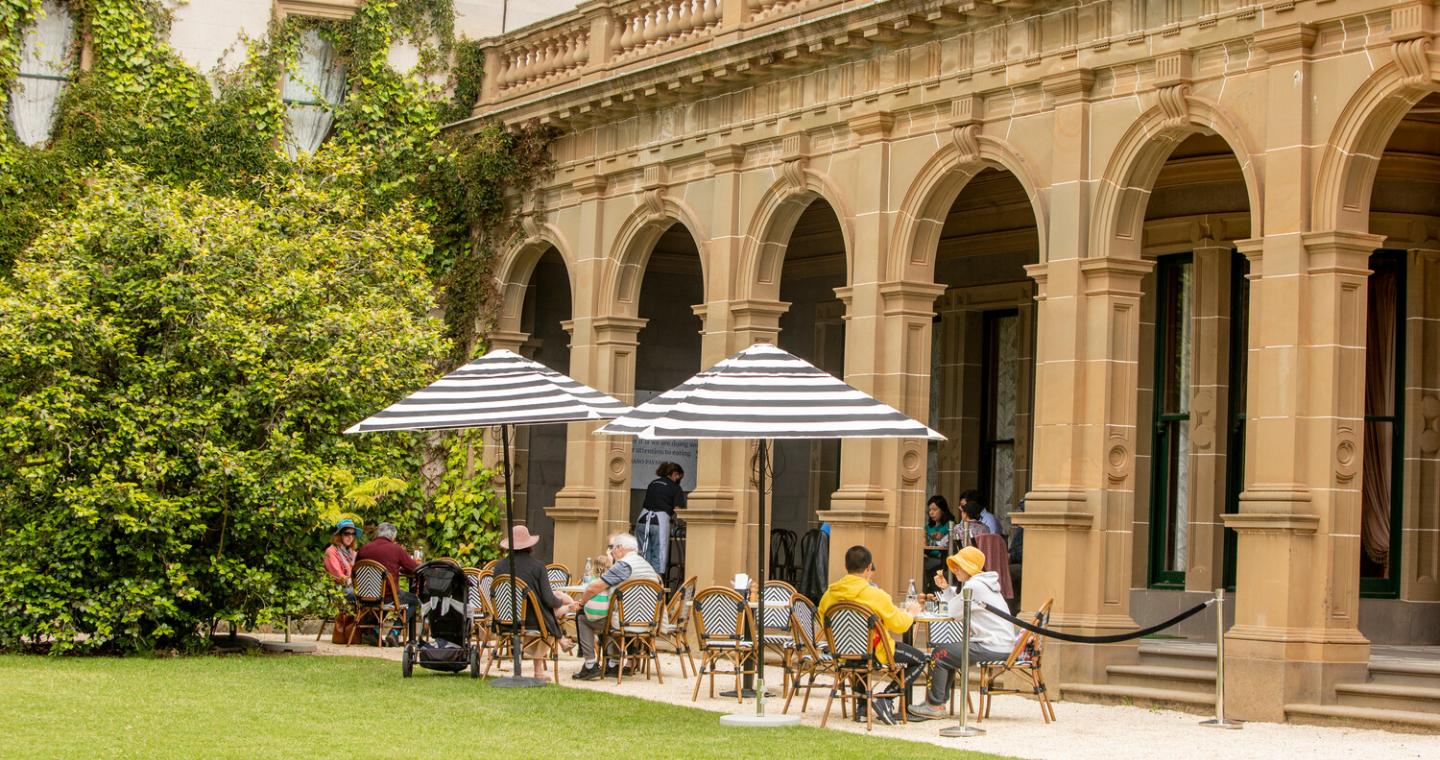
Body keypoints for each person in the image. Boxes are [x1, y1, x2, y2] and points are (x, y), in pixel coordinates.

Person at [818, 545, 937, 724]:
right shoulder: (875, 595)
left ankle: (862, 707)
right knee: (920, 659)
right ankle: (886, 698)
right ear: (868, 568)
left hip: (842, 653)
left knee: (861, 655)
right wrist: (911, 613)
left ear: (845, 566)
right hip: (875, 651)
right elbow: (900, 626)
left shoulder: (829, 595)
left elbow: (824, 622)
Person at [925, 545, 1019, 710]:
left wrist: (945, 592)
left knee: (939, 654)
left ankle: (935, 705)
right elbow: (957, 609)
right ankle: (938, 702)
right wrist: (946, 589)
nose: (955, 570)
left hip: (991, 645)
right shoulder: (983, 584)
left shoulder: (973, 586)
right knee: (948, 653)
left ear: (969, 567)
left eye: (958, 566)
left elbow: (952, 612)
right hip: (1002, 644)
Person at [491, 525, 576, 680]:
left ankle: (559, 641)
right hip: (531, 620)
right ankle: (539, 670)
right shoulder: (537, 566)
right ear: (529, 545)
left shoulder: (499, 567)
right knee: (547, 618)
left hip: (504, 620)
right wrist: (561, 601)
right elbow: (549, 600)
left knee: (543, 614)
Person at [572, 532, 660, 681]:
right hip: (648, 622)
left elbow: (594, 588)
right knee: (612, 614)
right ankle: (613, 664)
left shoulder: (623, 565)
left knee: (582, 617)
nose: (611, 552)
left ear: (620, 548)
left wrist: (581, 604)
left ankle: (589, 665)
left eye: (612, 548)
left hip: (622, 622)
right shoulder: (645, 565)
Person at [354, 522, 420, 642]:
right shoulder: (395, 549)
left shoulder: (364, 549)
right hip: (388, 597)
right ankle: (394, 632)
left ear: (378, 533)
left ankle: (373, 631)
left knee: (383, 594)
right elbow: (415, 569)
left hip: (364, 596)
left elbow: (356, 570)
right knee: (414, 600)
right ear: (393, 536)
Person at [636, 462, 685, 575]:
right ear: (674, 474)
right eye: (679, 476)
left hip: (642, 518)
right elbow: (678, 508)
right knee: (659, 554)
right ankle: (655, 584)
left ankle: (640, 579)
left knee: (642, 552)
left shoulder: (653, 483)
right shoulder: (675, 487)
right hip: (660, 521)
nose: (679, 479)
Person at [923, 496, 955, 594]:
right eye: (930, 510)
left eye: (935, 509)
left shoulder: (949, 525)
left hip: (942, 558)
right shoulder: (928, 527)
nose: (931, 513)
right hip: (928, 556)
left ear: (943, 510)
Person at [324, 518, 360, 601]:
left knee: (377, 593)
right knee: (362, 594)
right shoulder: (331, 551)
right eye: (347, 533)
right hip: (338, 589)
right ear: (339, 535)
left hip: (354, 586)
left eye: (353, 534)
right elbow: (338, 576)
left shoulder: (353, 553)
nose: (350, 537)